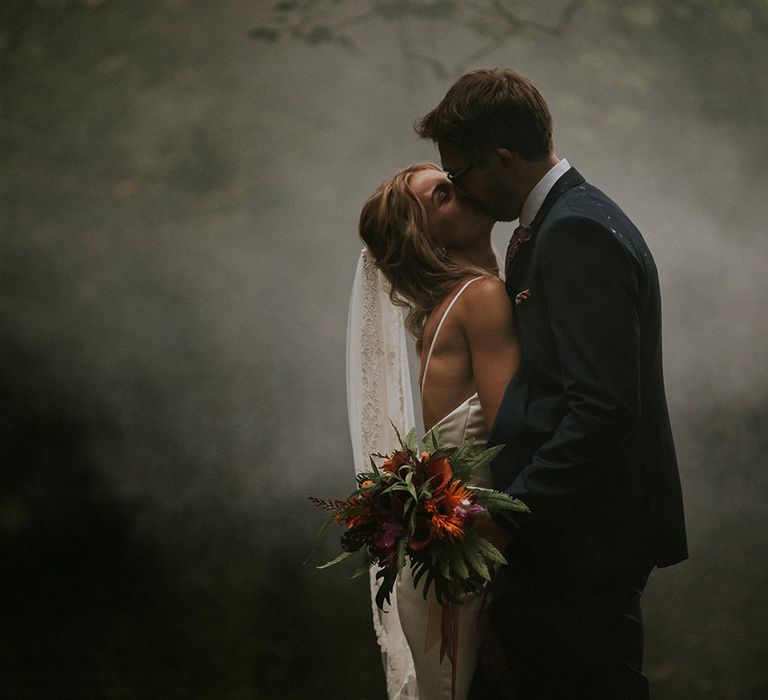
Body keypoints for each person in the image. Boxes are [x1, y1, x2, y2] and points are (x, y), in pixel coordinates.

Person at [415, 68, 688, 699]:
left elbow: (602, 408)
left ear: (503, 157)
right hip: (575, 535)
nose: (462, 191)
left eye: (460, 175)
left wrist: (508, 517)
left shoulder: (576, 230)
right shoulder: (561, 222)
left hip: (585, 541)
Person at [351, 162, 522, 699]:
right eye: (443, 196)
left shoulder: (438, 311)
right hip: (475, 564)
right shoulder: (481, 298)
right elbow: (512, 437)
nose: (465, 191)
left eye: (453, 180)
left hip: (446, 560)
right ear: (424, 238)